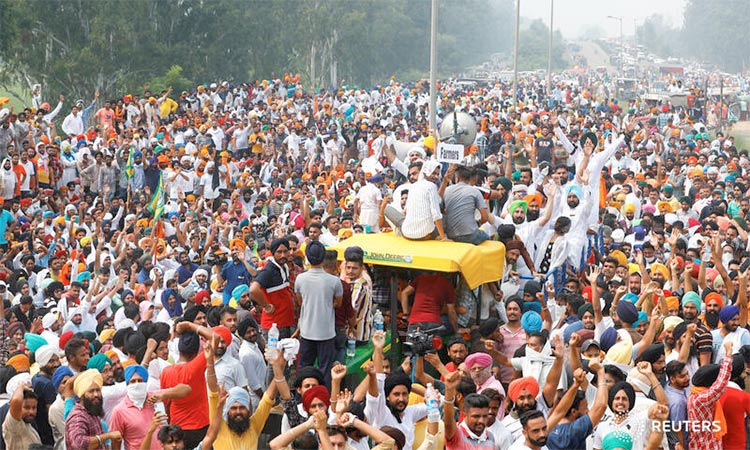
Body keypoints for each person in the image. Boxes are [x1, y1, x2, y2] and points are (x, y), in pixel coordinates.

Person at [294, 240, 343, 385]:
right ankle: (325, 398)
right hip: (326, 333)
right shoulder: (334, 281)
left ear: (307, 258)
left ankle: (302, 399)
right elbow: (338, 304)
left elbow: (300, 301)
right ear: (323, 258)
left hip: (307, 331)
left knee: (304, 367)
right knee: (326, 369)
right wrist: (326, 305)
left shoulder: (300, 279)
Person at [65, 369, 123, 450]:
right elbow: (78, 443)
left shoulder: (92, 412)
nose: (96, 394)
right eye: (91, 391)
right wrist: (108, 436)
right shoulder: (78, 416)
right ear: (82, 395)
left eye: (98, 390)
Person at [2, 381, 41, 450]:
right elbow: (16, 400)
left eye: (34, 408)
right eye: (27, 408)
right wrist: (21, 386)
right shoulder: (13, 425)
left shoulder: (28, 425)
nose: (31, 412)